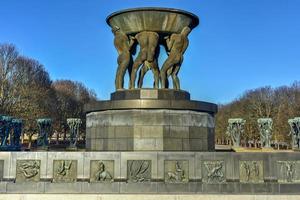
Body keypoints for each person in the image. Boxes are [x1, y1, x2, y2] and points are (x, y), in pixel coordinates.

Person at [113, 26, 135, 90]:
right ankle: (120, 87)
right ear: (118, 30)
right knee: (123, 72)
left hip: (119, 56)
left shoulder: (115, 39)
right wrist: (132, 41)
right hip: (126, 55)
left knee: (118, 72)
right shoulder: (123, 36)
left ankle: (117, 88)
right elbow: (128, 48)